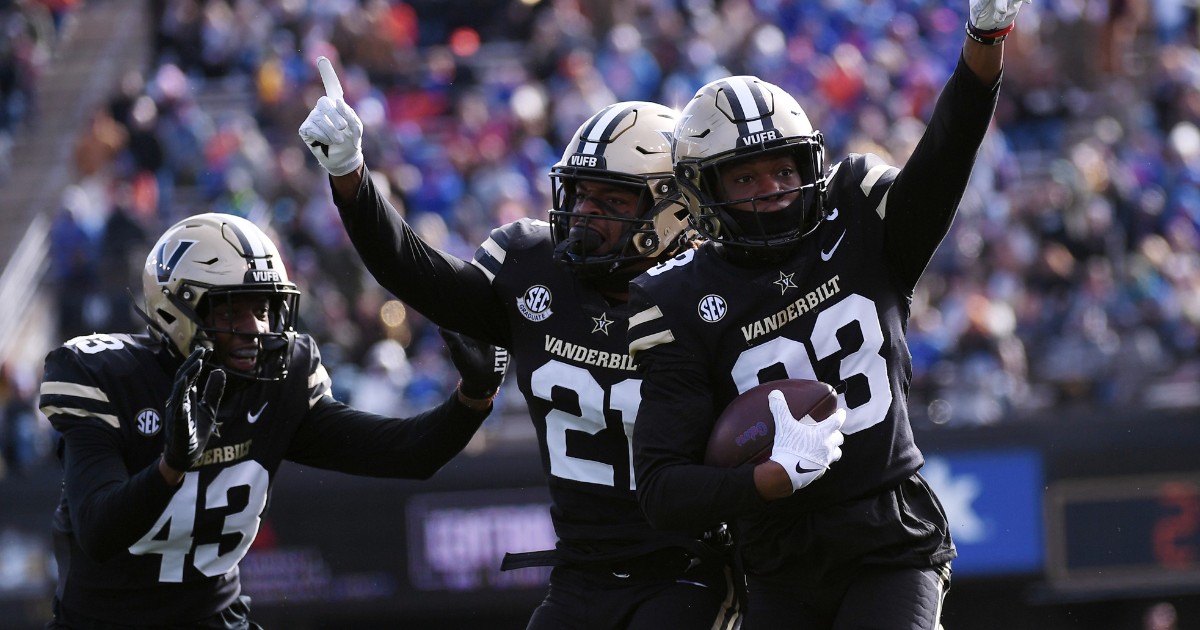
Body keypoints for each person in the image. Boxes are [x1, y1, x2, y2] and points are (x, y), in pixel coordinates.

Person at [625, 0, 1027, 628]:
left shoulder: (858, 214)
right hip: (776, 563)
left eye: (782, 169)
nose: (773, 191)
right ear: (704, 192)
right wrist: (764, 483)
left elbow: (948, 153)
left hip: (888, 540)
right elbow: (662, 490)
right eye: (746, 180)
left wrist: (985, 37)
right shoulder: (675, 300)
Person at [300, 59, 739, 630]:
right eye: (579, 195)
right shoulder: (533, 268)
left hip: (687, 572)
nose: (584, 214)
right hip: (582, 574)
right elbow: (415, 273)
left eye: (611, 201)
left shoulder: (713, 291)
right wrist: (352, 177)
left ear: (673, 210)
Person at [41, 212, 507, 629]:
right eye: (232, 308)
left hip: (214, 618)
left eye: (263, 307)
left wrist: (474, 397)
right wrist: (171, 465)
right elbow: (98, 531)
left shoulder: (279, 382)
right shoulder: (106, 376)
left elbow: (409, 454)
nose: (257, 328)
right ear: (174, 308)